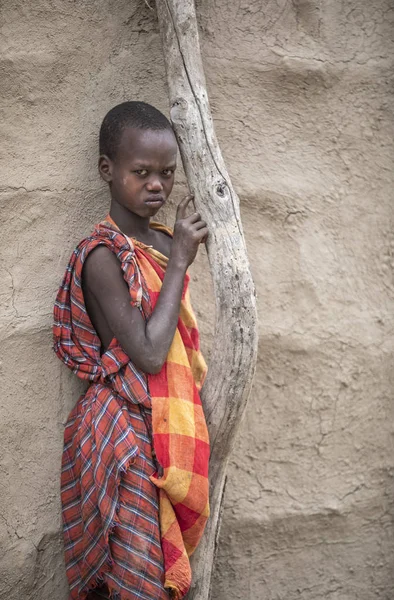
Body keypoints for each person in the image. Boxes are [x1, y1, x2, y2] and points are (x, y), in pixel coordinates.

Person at [53, 101, 210, 600]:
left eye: (166, 173)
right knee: (135, 576)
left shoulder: (163, 240)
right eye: (140, 173)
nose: (156, 186)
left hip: (164, 426)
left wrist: (176, 252)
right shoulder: (102, 254)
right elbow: (147, 353)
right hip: (122, 429)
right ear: (108, 170)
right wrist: (181, 261)